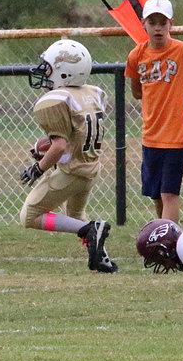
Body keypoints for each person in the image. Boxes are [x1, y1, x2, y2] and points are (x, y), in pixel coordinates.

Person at [21, 39, 116, 273]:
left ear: (65, 73)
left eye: (48, 67)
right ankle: (101, 258)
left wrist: (38, 168)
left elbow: (60, 146)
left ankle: (89, 230)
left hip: (72, 171)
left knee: (30, 216)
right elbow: (71, 136)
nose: (43, 71)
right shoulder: (92, 93)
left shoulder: (56, 100)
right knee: (74, 215)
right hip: (90, 167)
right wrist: (47, 145)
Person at [125, 0, 183, 223]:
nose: (157, 28)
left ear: (170, 25)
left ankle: (171, 243)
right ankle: (163, 234)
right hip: (151, 135)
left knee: (169, 194)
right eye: (152, 22)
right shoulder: (136, 55)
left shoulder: (182, 50)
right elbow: (137, 91)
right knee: (155, 194)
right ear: (144, 24)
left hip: (176, 136)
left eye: (162, 23)